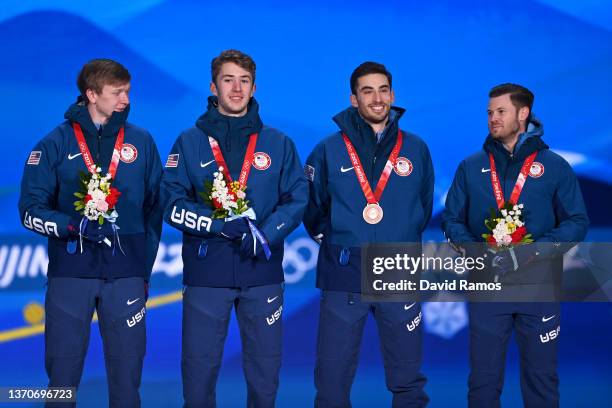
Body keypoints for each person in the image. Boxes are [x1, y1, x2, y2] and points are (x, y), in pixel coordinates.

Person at [160, 49, 308, 407]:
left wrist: (266, 234)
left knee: (265, 372)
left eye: (244, 81)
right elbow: (170, 203)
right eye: (229, 80)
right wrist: (218, 226)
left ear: (254, 88)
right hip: (206, 273)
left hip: (262, 272)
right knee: (198, 373)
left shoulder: (278, 143)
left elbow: (298, 199)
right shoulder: (189, 142)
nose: (237, 88)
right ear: (214, 86)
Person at [18, 58, 163, 407]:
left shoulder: (141, 143)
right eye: (117, 93)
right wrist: (71, 226)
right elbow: (29, 211)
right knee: (62, 382)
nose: (126, 99)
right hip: (71, 275)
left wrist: (142, 270)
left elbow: (155, 210)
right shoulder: (53, 144)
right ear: (92, 94)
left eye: (127, 91)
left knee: (128, 380)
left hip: (126, 275)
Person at [442, 83, 589, 408]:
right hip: (486, 288)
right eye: (490, 113)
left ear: (523, 114)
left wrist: (536, 250)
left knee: (542, 381)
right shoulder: (470, 167)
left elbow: (577, 222)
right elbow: (451, 221)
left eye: (501, 111)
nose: (493, 118)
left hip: (539, 289)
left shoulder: (554, 166)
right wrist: (474, 250)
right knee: (483, 382)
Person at [304, 61, 432, 407]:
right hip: (344, 269)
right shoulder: (329, 149)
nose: (377, 98)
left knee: (408, 380)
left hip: (397, 269)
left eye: (383, 89)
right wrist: (339, 242)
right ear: (353, 99)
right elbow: (312, 209)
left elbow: (421, 207)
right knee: (332, 382)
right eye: (367, 91)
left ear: (392, 95)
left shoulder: (416, 149)